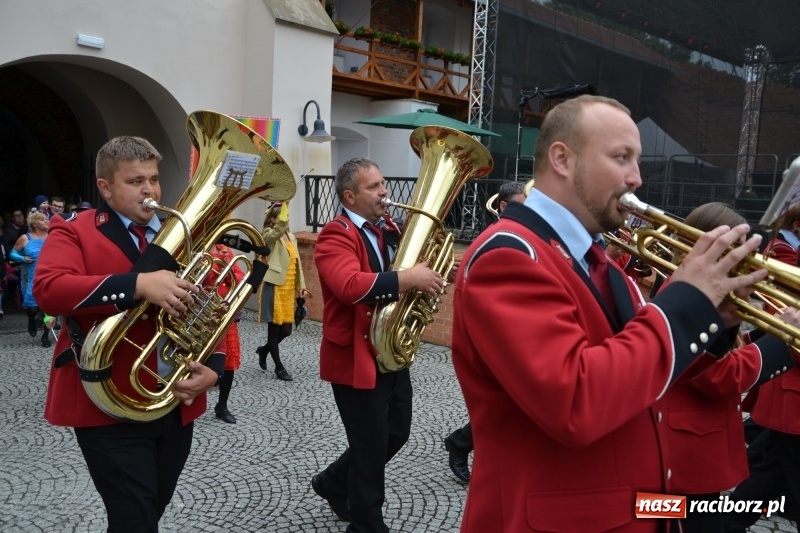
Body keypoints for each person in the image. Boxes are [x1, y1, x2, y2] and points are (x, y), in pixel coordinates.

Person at [450, 94, 768, 532]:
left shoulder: (594, 260)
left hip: (637, 510)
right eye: (622, 157)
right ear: (562, 158)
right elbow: (576, 402)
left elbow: (647, 366)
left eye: (636, 160)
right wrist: (687, 304)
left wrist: (715, 319)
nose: (637, 178)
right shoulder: (509, 255)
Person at [33, 136, 223, 533]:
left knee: (150, 506)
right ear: (105, 187)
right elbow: (49, 289)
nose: (150, 190)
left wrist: (214, 369)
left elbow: (210, 309)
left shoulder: (182, 231)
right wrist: (136, 285)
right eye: (136, 181)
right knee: (136, 516)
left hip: (172, 398)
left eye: (153, 179)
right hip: (106, 400)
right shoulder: (74, 229)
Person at [311, 157, 443, 531]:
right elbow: (350, 287)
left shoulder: (388, 228)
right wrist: (407, 277)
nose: (385, 191)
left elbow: (410, 270)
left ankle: (332, 482)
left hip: (389, 350)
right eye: (374, 186)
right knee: (369, 448)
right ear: (350, 196)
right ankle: (367, 524)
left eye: (383, 183)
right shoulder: (335, 234)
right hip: (355, 356)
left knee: (396, 433)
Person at [444, 180, 526, 484]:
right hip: (496, 334)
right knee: (502, 403)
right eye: (521, 203)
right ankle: (461, 442)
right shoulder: (496, 239)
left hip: (515, 329)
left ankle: (464, 442)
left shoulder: (519, 235)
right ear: (503, 207)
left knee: (509, 404)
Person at [255, 201, 309, 381]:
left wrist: (301, 286)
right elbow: (277, 231)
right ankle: (279, 367)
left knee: (286, 330)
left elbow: (298, 263)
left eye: (286, 216)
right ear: (272, 219)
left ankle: (263, 350)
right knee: (273, 329)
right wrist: (283, 212)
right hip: (274, 285)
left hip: (287, 289)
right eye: (282, 216)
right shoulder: (268, 234)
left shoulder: (291, 236)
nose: (286, 219)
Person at [205, 244, 244, 424]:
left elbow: (240, 277)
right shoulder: (199, 249)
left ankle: (222, 405)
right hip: (202, 315)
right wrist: (217, 266)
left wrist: (227, 268)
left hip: (225, 316)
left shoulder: (225, 250)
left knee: (227, 362)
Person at [10, 210, 51, 347]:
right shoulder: (25, 238)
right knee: (32, 308)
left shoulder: (53, 236)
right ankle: (32, 319)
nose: (46, 221)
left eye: (47, 219)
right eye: (42, 219)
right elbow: (12, 253)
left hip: (50, 276)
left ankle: (45, 336)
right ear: (34, 223)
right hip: (32, 277)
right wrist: (22, 258)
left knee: (50, 308)